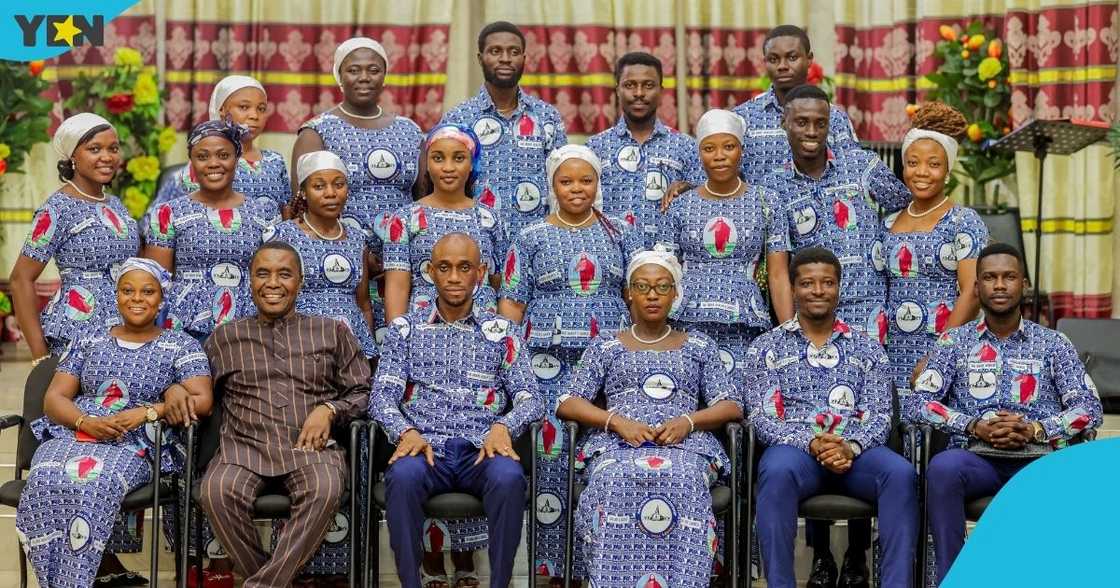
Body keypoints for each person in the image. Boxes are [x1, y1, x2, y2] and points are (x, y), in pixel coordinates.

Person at [906, 243, 1102, 584]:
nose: (999, 285)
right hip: (974, 458)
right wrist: (974, 426)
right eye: (990, 277)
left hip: (1037, 459)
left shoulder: (1053, 342)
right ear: (976, 286)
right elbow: (918, 402)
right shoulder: (954, 342)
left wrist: (1036, 429)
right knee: (941, 469)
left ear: (1023, 285)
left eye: (1008, 277)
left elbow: (1089, 407)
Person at [16, 257, 213, 588]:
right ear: (117, 295)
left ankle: (77, 581)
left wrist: (150, 411)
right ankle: (64, 580)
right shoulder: (89, 337)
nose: (137, 298)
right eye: (128, 290)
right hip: (78, 432)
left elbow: (203, 401)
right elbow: (54, 399)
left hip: (138, 441)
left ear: (161, 298)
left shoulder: (180, 344)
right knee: (44, 477)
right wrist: (85, 421)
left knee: (96, 480)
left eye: (147, 291)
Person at [496, 144, 642, 582]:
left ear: (597, 184)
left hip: (608, 373)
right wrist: (509, 370)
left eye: (585, 180)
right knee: (552, 467)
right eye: (566, 181)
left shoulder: (621, 232)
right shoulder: (530, 236)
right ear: (552, 186)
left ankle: (604, 569)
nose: (577, 189)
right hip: (546, 373)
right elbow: (511, 308)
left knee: (609, 464)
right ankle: (552, 570)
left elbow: (637, 301)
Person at [555, 248, 742, 588]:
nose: (652, 295)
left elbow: (731, 405)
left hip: (685, 447)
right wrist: (616, 421)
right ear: (628, 293)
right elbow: (567, 401)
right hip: (618, 446)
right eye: (642, 286)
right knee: (613, 480)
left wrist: (688, 421)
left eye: (662, 286)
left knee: (685, 478)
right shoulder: (606, 346)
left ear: (675, 293)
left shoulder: (699, 345)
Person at [372, 233, 544, 588]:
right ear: (430, 272)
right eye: (445, 268)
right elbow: (381, 397)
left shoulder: (503, 332)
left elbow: (532, 398)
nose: (453, 277)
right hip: (425, 449)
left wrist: (503, 427)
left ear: (479, 272)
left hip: (481, 449)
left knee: (510, 478)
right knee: (401, 479)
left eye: (464, 268)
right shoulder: (405, 329)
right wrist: (406, 432)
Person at [197, 241, 370, 588]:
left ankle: (262, 584)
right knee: (215, 491)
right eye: (263, 273)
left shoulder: (331, 331)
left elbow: (364, 391)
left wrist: (329, 408)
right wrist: (174, 390)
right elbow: (193, 388)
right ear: (249, 280)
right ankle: (278, 582)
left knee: (325, 488)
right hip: (243, 448)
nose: (272, 283)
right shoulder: (224, 338)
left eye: (284, 274)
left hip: (311, 450)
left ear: (300, 282)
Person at [745, 247, 918, 588]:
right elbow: (763, 418)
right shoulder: (766, 347)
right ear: (793, 289)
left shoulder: (867, 347)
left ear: (840, 287)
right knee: (775, 471)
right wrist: (811, 442)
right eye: (807, 283)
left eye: (827, 282)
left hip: (856, 454)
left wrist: (850, 447)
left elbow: (882, 414)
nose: (818, 290)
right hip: (796, 453)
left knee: (900, 473)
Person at [294, 36, 424, 334]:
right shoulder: (317, 132)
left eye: (373, 69)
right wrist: (359, 255)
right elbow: (302, 208)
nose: (364, 77)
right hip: (340, 269)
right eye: (354, 69)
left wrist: (399, 256)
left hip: (401, 267)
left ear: (384, 75)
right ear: (339, 75)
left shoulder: (410, 131)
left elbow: (422, 201)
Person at [10, 113, 138, 364]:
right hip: (77, 333)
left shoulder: (116, 205)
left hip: (125, 328)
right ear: (73, 157)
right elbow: (20, 279)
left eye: (113, 148)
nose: (107, 157)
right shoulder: (57, 208)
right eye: (94, 149)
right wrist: (41, 358)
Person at [657, 109, 771, 383]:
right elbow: (662, 271)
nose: (719, 155)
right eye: (709, 148)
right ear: (699, 153)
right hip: (688, 319)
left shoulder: (766, 201)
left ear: (741, 150)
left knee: (740, 403)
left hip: (743, 321)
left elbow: (777, 273)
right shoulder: (680, 205)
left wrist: (792, 333)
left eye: (728, 147)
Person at [884, 103, 987, 395]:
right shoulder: (889, 221)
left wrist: (938, 357)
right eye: (913, 162)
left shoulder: (963, 220)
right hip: (891, 349)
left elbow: (973, 292)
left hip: (943, 345)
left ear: (948, 170)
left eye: (934, 164)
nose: (922, 172)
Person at [144, 120, 280, 339]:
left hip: (250, 331)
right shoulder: (167, 213)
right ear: (191, 161)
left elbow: (273, 276)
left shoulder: (265, 212)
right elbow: (155, 284)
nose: (213, 163)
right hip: (184, 331)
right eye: (202, 156)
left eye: (223, 155)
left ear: (237, 158)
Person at [441, 21, 567, 237]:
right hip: (475, 240)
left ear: (524, 59)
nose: (506, 58)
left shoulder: (547, 117)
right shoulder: (459, 119)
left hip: (536, 240)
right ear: (481, 59)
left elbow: (561, 181)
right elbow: (445, 185)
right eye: (495, 51)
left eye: (514, 52)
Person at [383, 124, 506, 321]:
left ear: (472, 163)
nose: (448, 167)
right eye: (438, 158)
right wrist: (397, 340)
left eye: (458, 158)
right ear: (427, 163)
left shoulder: (490, 218)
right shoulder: (403, 219)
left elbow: (500, 285)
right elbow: (397, 288)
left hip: (482, 334)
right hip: (423, 333)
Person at [585, 51, 704, 246]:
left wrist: (689, 188)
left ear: (661, 90)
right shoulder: (595, 148)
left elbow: (706, 203)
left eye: (648, 85)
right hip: (611, 261)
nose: (639, 93)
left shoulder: (685, 146)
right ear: (617, 90)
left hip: (667, 263)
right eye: (630, 85)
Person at [267, 150, 377, 360]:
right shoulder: (284, 235)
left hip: (352, 347)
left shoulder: (356, 237)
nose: (330, 193)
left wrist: (368, 350)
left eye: (338, 184)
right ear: (304, 192)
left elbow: (363, 304)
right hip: (301, 344)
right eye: (319, 186)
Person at [733, 25, 860, 185]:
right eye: (773, 59)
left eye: (792, 58)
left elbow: (852, 173)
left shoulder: (834, 117)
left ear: (809, 60)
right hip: (760, 208)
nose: (782, 66)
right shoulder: (742, 117)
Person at [152, 75, 291, 212]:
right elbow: (157, 219)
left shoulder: (275, 161)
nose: (254, 115)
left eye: (261, 108)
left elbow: (287, 213)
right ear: (222, 110)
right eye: (244, 107)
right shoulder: (205, 165)